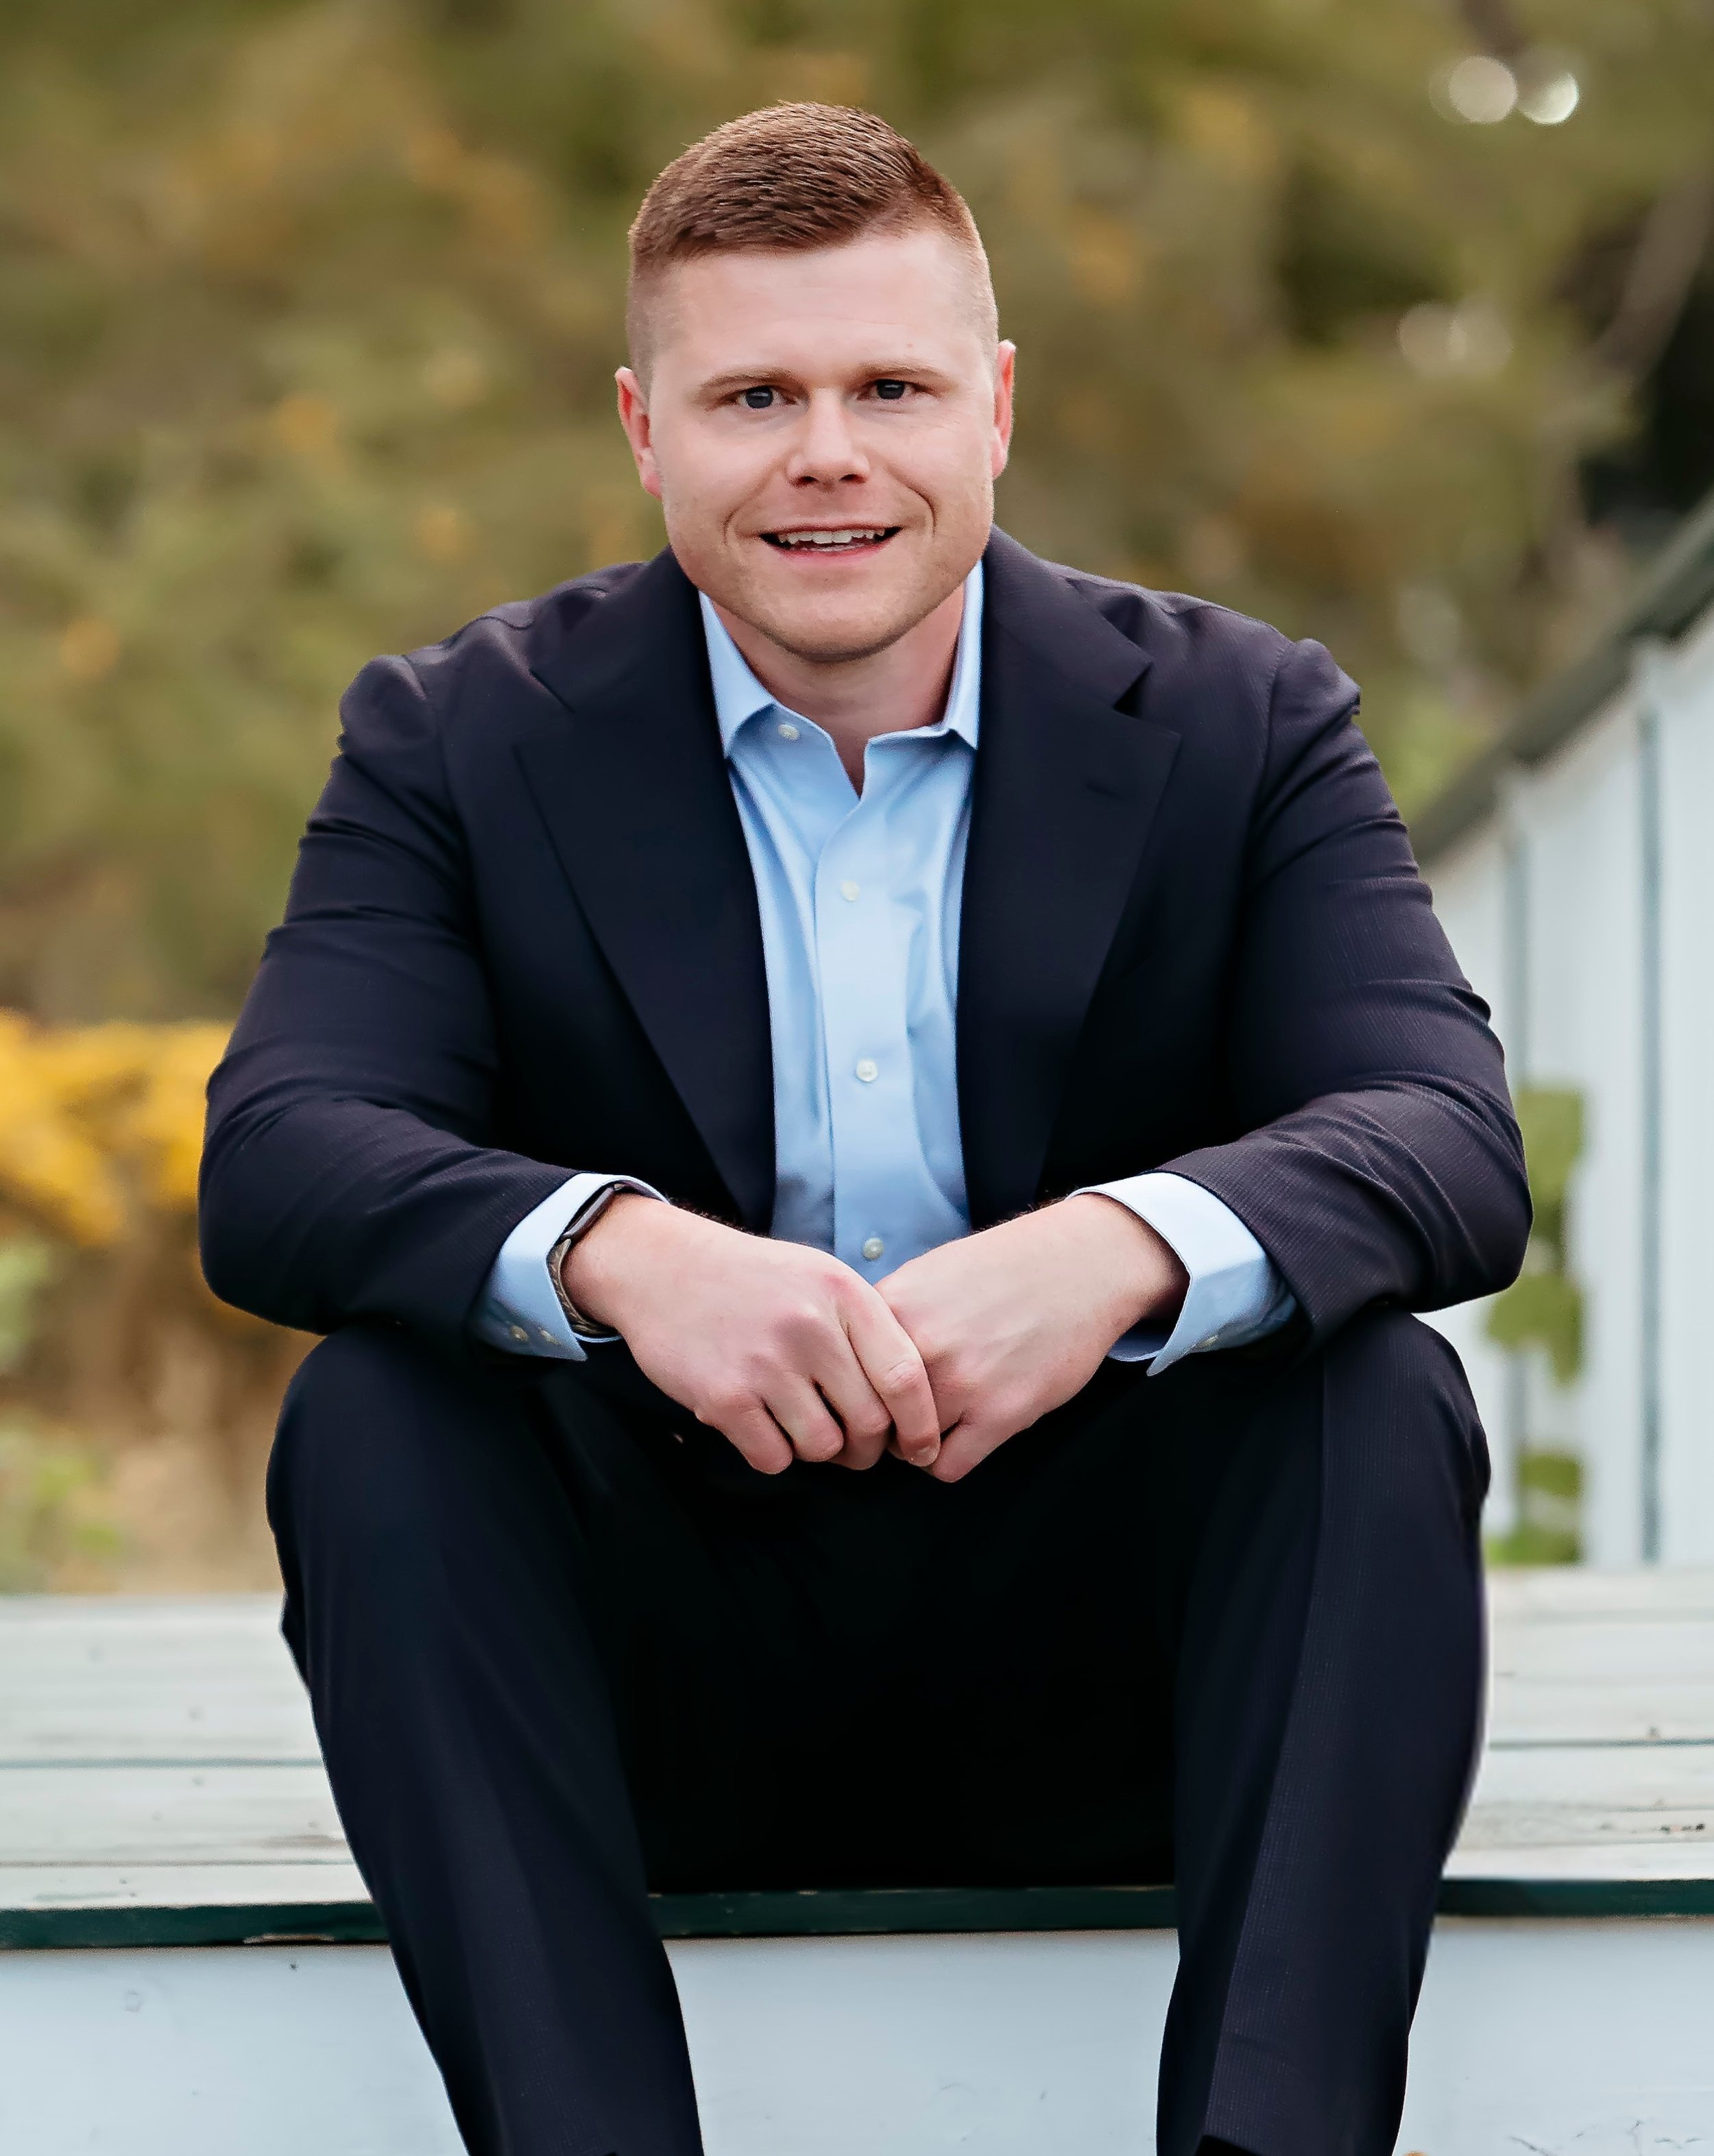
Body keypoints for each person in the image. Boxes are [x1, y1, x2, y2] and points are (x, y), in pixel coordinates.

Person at [200, 101, 1528, 2156]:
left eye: (888, 385)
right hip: (645, 1688)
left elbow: (1442, 1136)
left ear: (991, 408)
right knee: (374, 1412)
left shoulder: (1245, 720)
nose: (827, 450)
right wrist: (619, 1257)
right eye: (753, 394)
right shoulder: (458, 735)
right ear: (647, 432)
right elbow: (281, 1151)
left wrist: (1121, 1250)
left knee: (1374, 1389)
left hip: (1130, 1679)